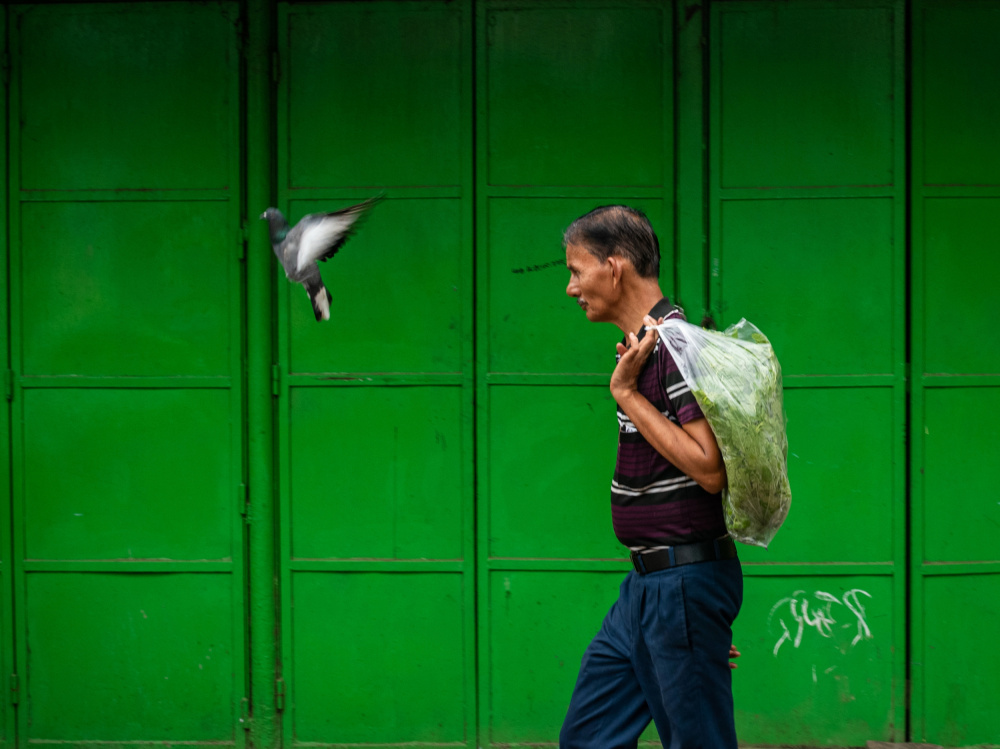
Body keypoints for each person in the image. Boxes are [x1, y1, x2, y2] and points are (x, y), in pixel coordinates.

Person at [558, 205, 743, 749]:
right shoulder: (646, 347)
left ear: (614, 268)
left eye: (576, 270)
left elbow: (709, 469)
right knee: (588, 737)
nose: (571, 288)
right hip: (648, 589)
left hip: (679, 583)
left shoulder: (675, 345)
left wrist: (625, 395)